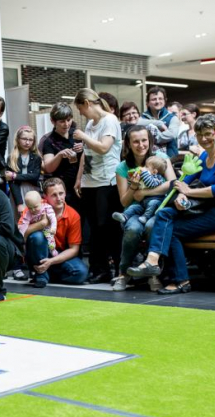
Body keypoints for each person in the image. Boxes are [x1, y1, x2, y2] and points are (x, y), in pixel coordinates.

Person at [127, 114, 215, 294]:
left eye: (208, 134)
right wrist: (180, 194)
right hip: (208, 206)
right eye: (199, 135)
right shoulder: (205, 155)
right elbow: (182, 181)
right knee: (164, 214)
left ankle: (180, 279)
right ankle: (152, 261)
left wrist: (188, 192)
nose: (204, 138)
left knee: (173, 230)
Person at [112, 125, 176, 292]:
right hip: (135, 209)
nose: (140, 145)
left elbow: (173, 184)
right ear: (128, 144)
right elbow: (125, 202)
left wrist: (145, 192)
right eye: (136, 142)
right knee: (133, 228)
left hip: (158, 207)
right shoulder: (123, 167)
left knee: (150, 226)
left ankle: (153, 274)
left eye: (144, 140)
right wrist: (133, 188)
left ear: (150, 141)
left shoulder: (161, 158)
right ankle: (123, 273)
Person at [73, 88, 123, 284]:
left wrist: (83, 137)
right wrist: (79, 178)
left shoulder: (110, 120)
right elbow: (86, 152)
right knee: (94, 228)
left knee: (108, 227)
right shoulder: (91, 124)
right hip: (90, 181)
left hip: (107, 180)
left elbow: (103, 147)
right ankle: (100, 269)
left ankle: (118, 268)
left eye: (81, 109)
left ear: (87, 104)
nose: (82, 114)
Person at [20, 177, 88, 288]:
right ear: (45, 198)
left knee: (81, 274)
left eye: (61, 193)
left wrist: (51, 262)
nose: (59, 198)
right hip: (38, 253)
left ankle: (47, 273)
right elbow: (20, 235)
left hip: (59, 254)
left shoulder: (73, 215)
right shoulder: (34, 207)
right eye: (54, 195)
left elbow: (74, 250)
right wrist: (41, 224)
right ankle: (41, 274)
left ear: (65, 193)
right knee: (37, 236)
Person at [42, 102, 83, 212]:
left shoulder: (77, 134)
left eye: (69, 120)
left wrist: (83, 148)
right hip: (63, 189)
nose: (66, 124)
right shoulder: (49, 142)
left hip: (82, 183)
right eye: (62, 121)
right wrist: (59, 155)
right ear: (53, 121)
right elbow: (48, 167)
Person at [112, 155, 168, 225]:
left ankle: (146, 217)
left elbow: (150, 183)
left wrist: (143, 172)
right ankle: (124, 216)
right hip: (143, 203)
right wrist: (132, 179)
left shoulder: (158, 179)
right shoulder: (145, 177)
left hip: (155, 203)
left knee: (152, 203)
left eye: (146, 167)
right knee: (134, 207)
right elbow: (137, 185)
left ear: (154, 172)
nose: (143, 168)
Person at [6, 125, 42, 213]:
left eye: (30, 140)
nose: (27, 142)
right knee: (20, 220)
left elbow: (35, 176)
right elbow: (12, 183)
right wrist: (19, 203)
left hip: (33, 191)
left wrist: (14, 176)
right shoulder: (11, 158)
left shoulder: (36, 157)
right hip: (17, 193)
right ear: (18, 139)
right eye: (24, 139)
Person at [139, 87, 180, 158]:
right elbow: (136, 125)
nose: (157, 101)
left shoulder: (172, 118)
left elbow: (171, 135)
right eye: (154, 99)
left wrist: (151, 138)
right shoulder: (142, 117)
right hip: (146, 159)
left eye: (160, 98)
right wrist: (158, 124)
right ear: (147, 103)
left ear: (165, 100)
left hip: (169, 158)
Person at [19, 191, 58, 257]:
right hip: (35, 232)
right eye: (30, 208)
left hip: (46, 229)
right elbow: (24, 224)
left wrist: (53, 227)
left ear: (41, 201)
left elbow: (53, 218)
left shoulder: (46, 207)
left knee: (50, 239)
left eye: (35, 207)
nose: (33, 210)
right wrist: (22, 236)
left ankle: (52, 250)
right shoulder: (28, 213)